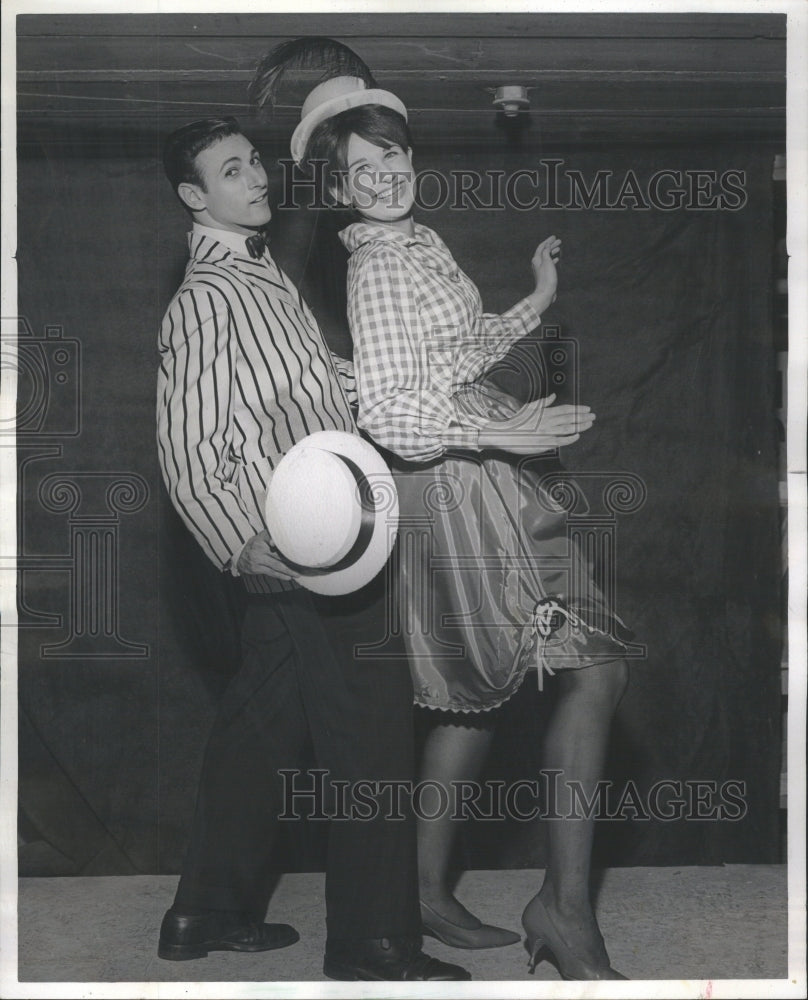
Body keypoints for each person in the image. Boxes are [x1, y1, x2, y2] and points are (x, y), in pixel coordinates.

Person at [299, 99, 633, 980]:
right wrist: (497, 436)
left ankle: (423, 891)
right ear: (335, 190)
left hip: (482, 457)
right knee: (589, 668)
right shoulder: (376, 268)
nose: (384, 178)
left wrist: (537, 300)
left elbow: (463, 347)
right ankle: (561, 910)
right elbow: (389, 407)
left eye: (394, 156)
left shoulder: (420, 240)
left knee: (468, 700)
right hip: (449, 475)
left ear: (412, 155)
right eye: (360, 171)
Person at [155, 115, 470, 982]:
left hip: (313, 533)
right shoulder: (205, 301)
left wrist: (423, 384)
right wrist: (237, 542)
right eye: (230, 170)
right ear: (195, 197)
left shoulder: (267, 282)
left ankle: (202, 913)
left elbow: (327, 384)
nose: (254, 177)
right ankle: (374, 944)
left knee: (259, 730)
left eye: (252, 161)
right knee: (371, 732)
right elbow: (187, 438)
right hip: (295, 545)